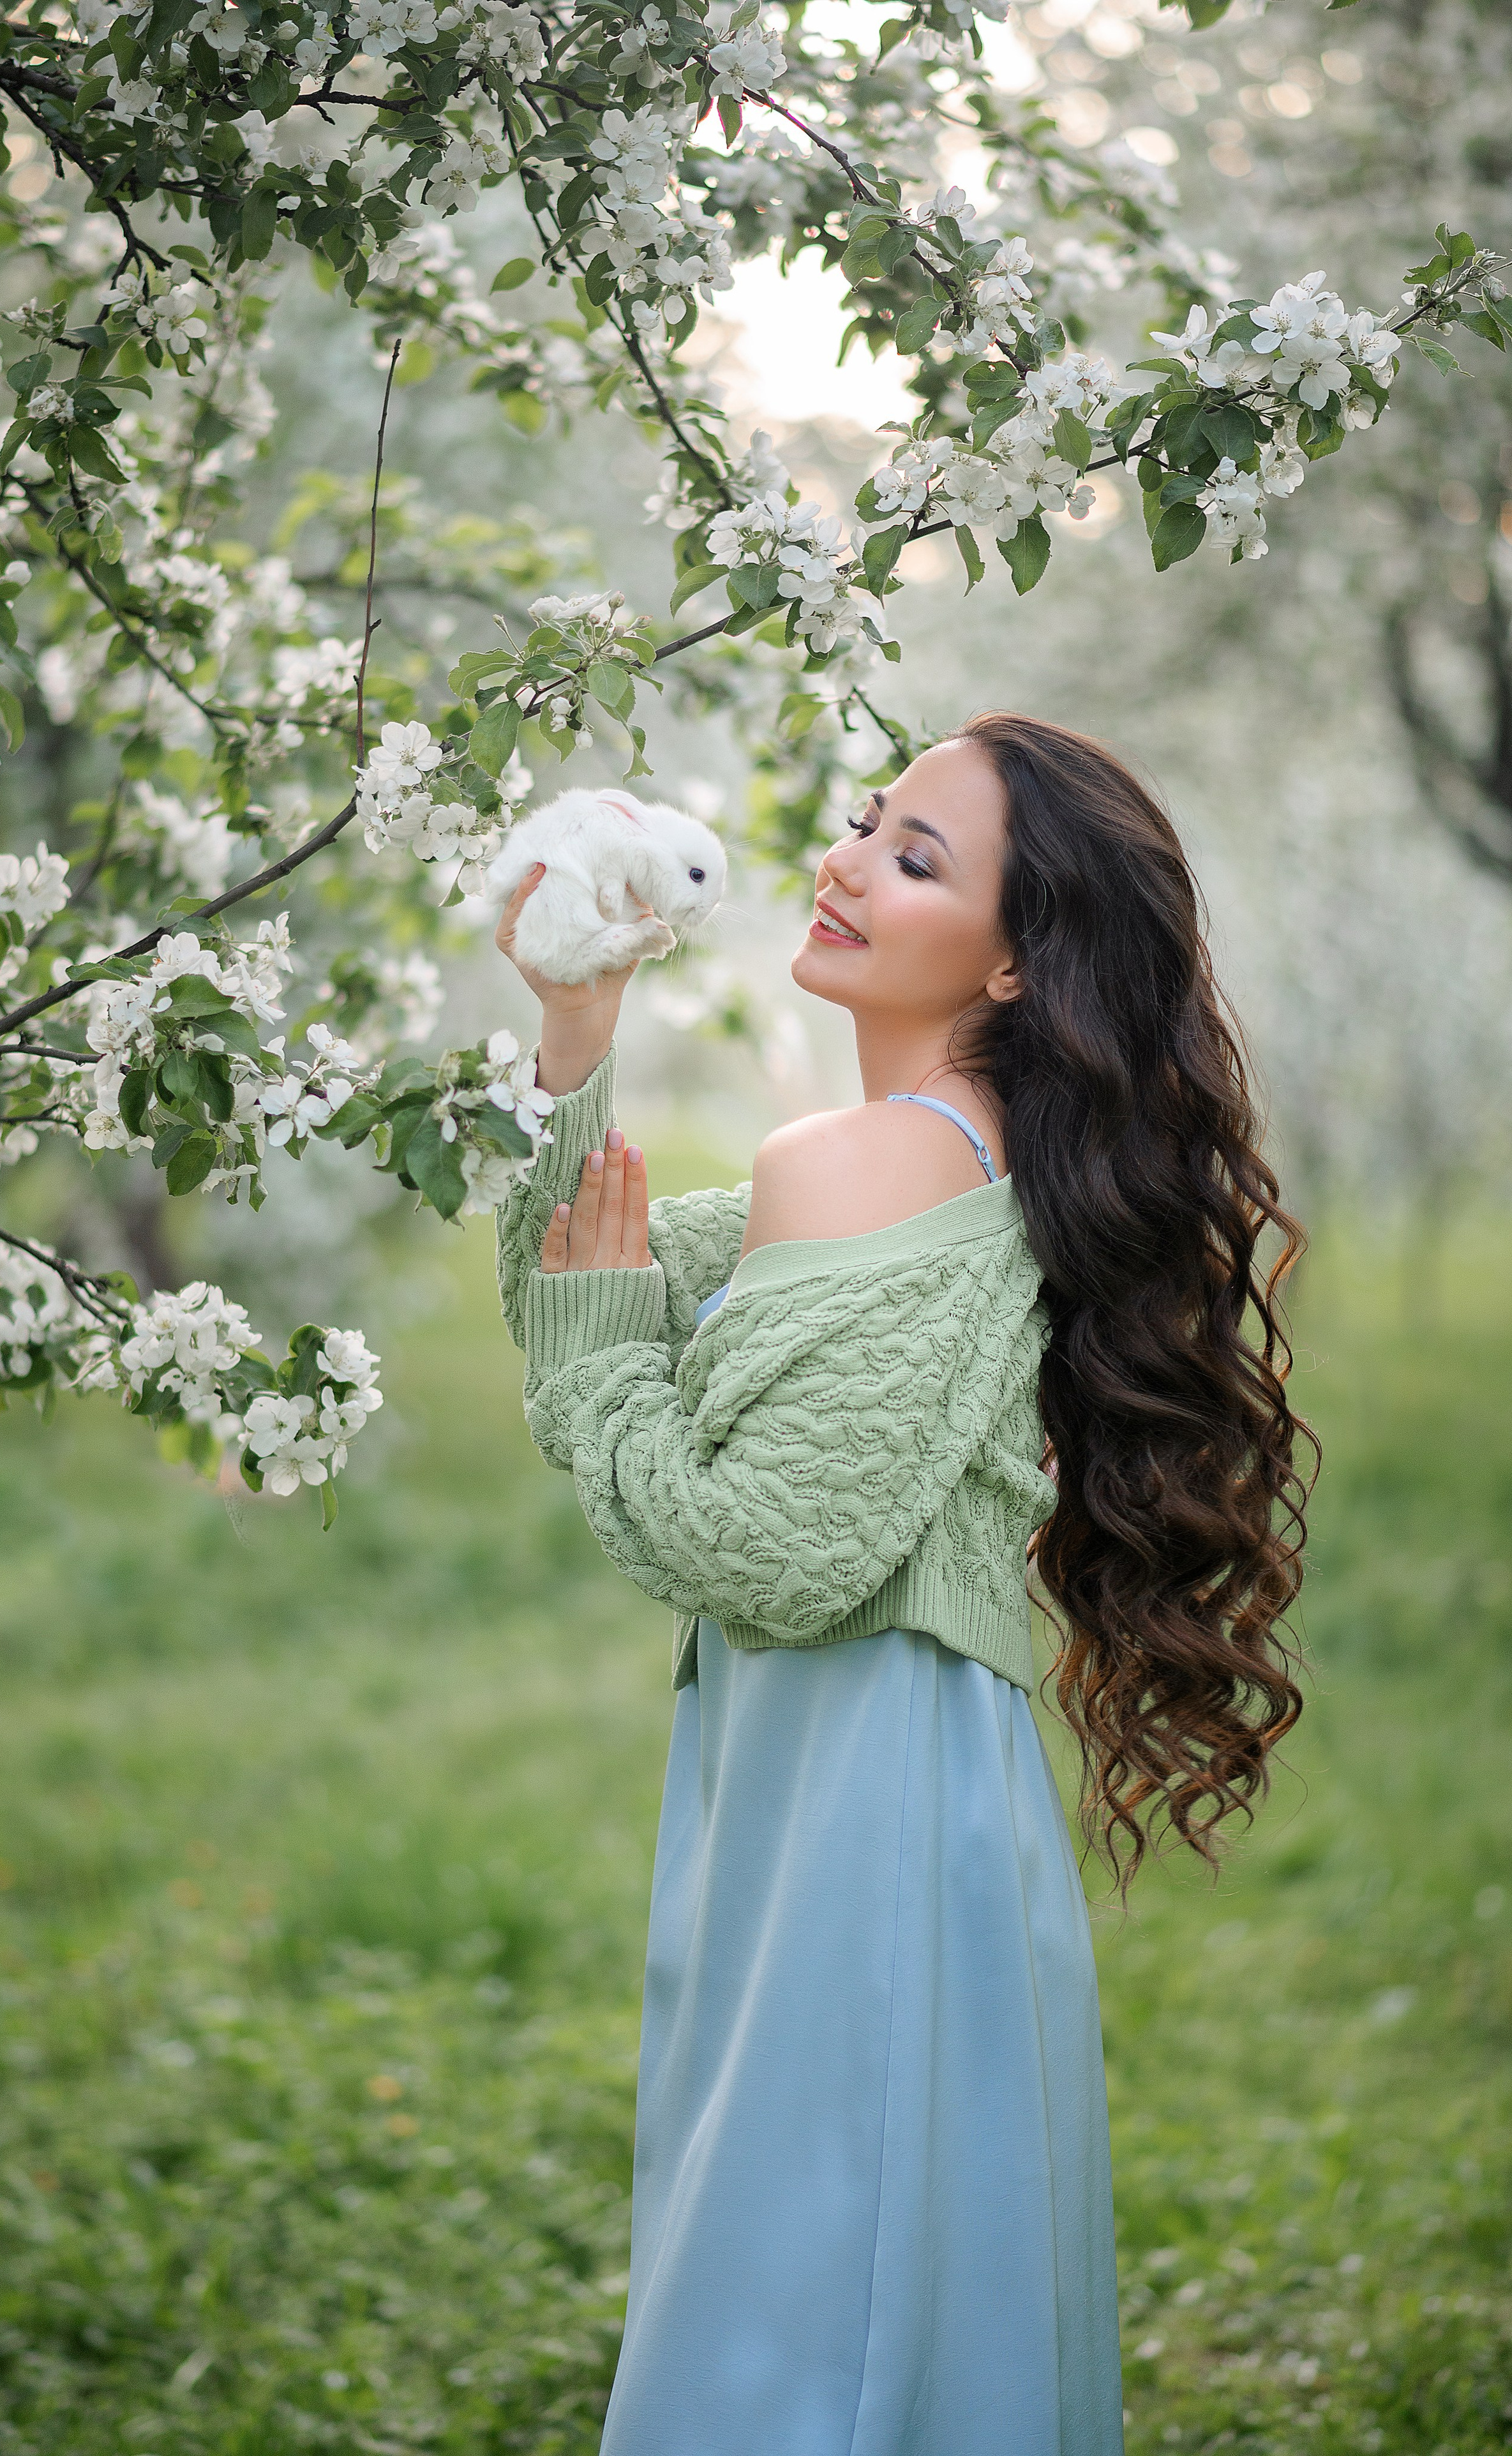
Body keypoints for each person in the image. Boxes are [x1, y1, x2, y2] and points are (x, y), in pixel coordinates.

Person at [491, 712, 1317, 2456]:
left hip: (843, 1806)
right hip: (902, 1796)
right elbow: (599, 1264)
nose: (848, 859)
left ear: (1018, 961)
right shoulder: (954, 1161)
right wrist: (580, 1019)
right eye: (870, 823)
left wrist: (593, 1372)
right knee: (904, 2315)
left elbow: (758, 1550)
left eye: (915, 856)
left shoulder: (865, 1162)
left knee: (793, 2321)